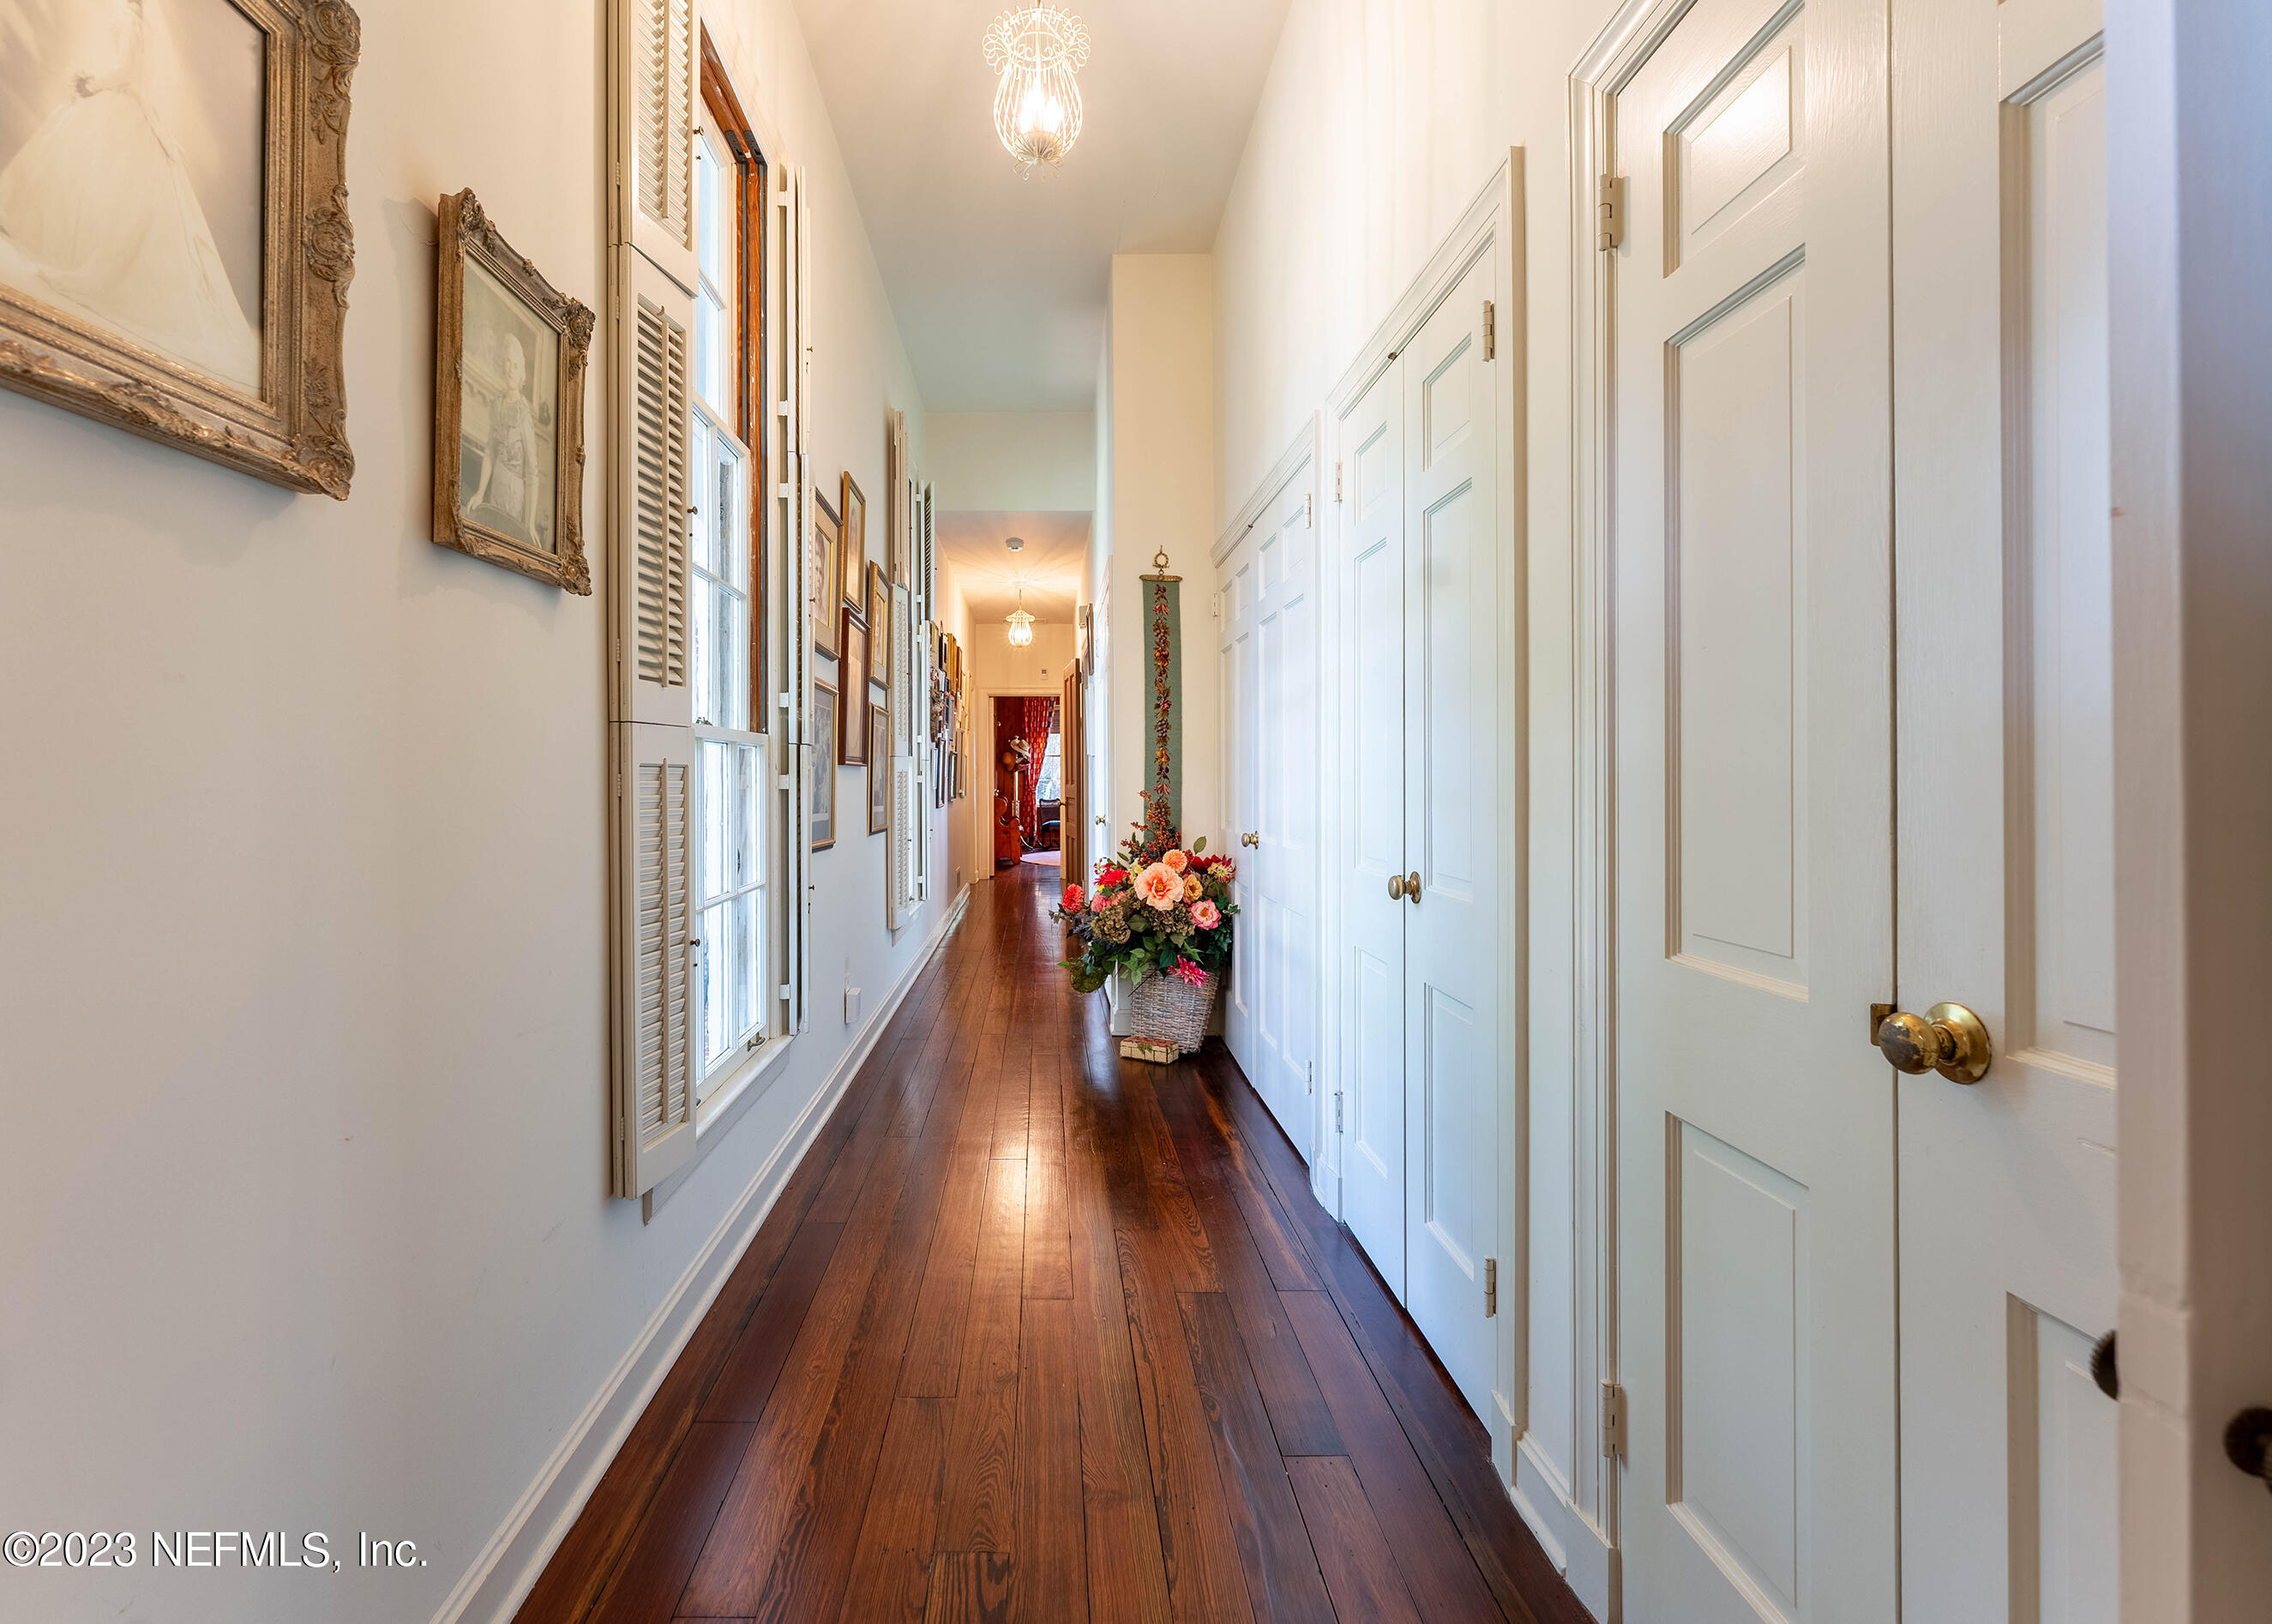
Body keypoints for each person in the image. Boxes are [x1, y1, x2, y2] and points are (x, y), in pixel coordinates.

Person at [0, 0, 261, 390]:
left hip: (123, 108)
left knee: (103, 185)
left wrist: (90, 84)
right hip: (138, 111)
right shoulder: (145, 26)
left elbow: (124, 71)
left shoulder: (125, 18)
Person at [468, 334, 544, 545]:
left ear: (522, 375)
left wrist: (529, 522)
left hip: (514, 492)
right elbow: (490, 450)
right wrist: (481, 492)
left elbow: (532, 472)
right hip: (496, 486)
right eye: (508, 361)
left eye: (517, 365)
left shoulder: (524, 414)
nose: (511, 368)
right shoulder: (496, 403)